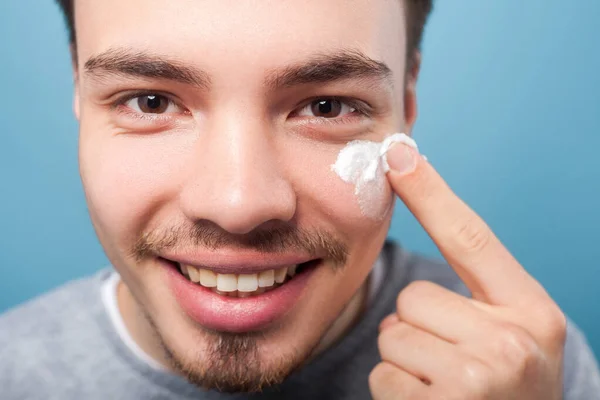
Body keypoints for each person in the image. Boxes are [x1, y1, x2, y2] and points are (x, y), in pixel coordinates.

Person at [1, 0, 599, 398]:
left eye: (326, 107)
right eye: (151, 102)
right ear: (78, 91)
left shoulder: (527, 367)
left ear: (407, 103)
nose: (238, 204)